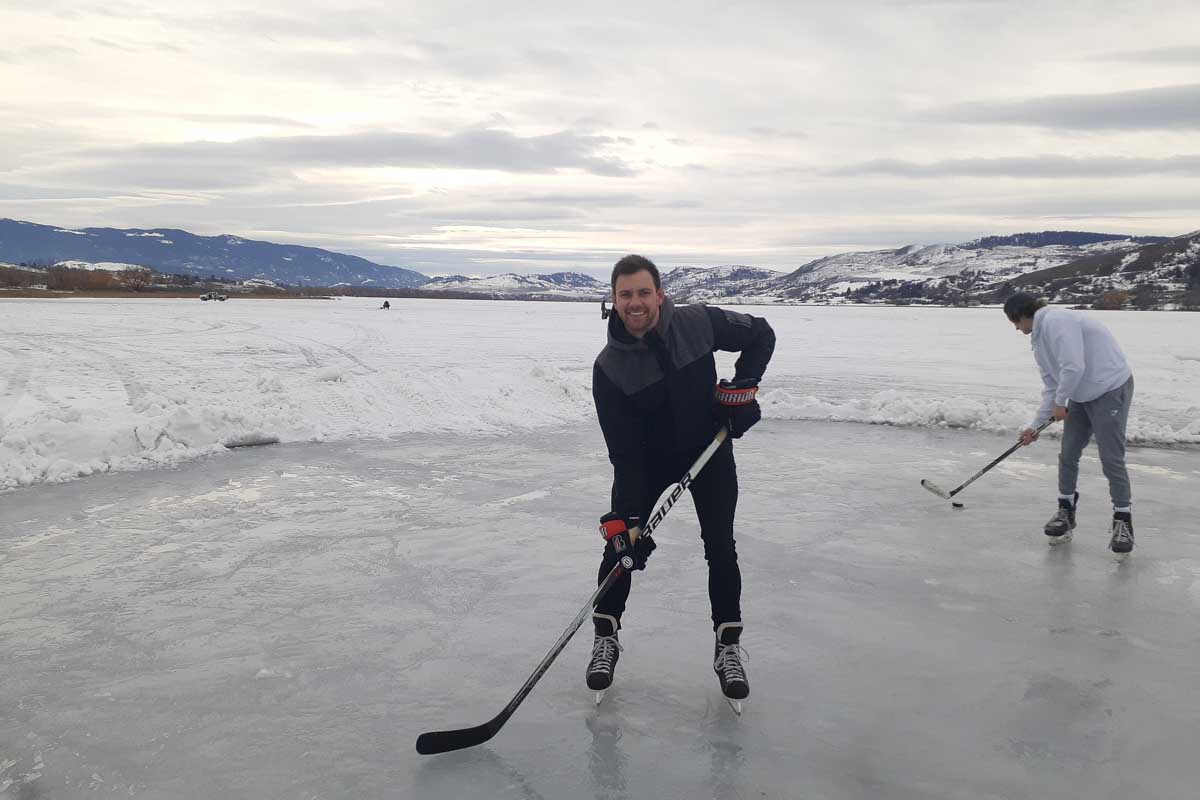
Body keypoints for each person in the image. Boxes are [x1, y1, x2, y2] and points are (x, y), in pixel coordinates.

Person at [587, 254, 776, 705]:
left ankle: (727, 646)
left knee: (720, 547)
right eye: (625, 294)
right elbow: (624, 454)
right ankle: (605, 638)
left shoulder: (699, 323)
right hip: (647, 463)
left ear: (660, 294)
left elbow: (761, 334)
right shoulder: (609, 369)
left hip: (708, 449)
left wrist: (742, 388)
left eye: (643, 292)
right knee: (620, 548)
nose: (636, 302)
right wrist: (631, 517)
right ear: (613, 301)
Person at [1003, 292, 1135, 553]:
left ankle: (1123, 520)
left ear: (1021, 315)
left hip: (1109, 388)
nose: (1017, 330)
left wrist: (1062, 403)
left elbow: (1074, 366)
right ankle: (1066, 511)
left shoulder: (1056, 319)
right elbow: (1052, 385)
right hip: (1080, 394)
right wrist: (1035, 425)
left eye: (1015, 323)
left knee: (1111, 457)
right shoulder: (1039, 339)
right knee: (1069, 452)